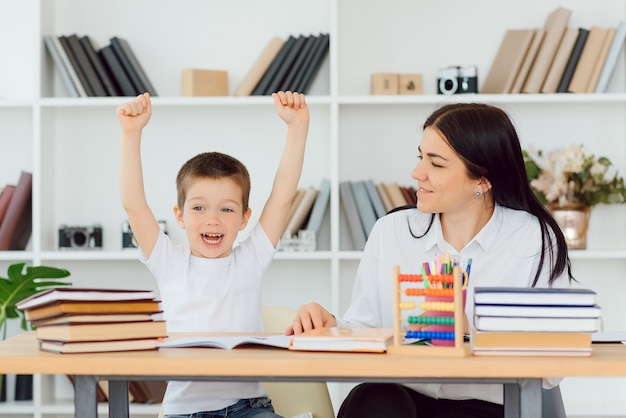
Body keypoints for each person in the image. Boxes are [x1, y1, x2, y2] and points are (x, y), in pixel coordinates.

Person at [287, 102, 574, 418]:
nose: (416, 173)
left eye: (436, 164)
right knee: (377, 401)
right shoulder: (391, 231)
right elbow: (365, 328)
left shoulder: (533, 240)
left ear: (482, 180)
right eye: (420, 156)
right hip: (399, 399)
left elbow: (552, 367)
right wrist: (333, 327)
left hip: (484, 404)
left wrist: (471, 330)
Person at [117, 91, 309, 418]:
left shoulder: (250, 260)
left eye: (226, 209)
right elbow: (134, 204)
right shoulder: (170, 262)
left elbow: (281, 197)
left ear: (244, 218)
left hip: (248, 408)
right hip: (183, 412)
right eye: (199, 207)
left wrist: (298, 127)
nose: (213, 219)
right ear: (179, 215)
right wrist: (131, 133)